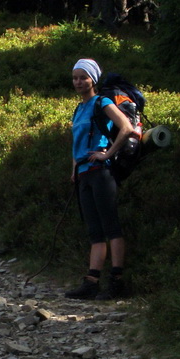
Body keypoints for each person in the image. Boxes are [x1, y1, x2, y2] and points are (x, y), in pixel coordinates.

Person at [65, 58, 134, 300]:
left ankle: (116, 281)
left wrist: (108, 153)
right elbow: (77, 144)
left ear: (93, 79)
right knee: (95, 230)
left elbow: (126, 127)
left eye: (83, 77)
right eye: (75, 77)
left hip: (102, 172)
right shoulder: (78, 109)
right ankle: (92, 282)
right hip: (85, 174)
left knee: (111, 226)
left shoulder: (101, 102)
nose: (78, 82)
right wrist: (74, 169)